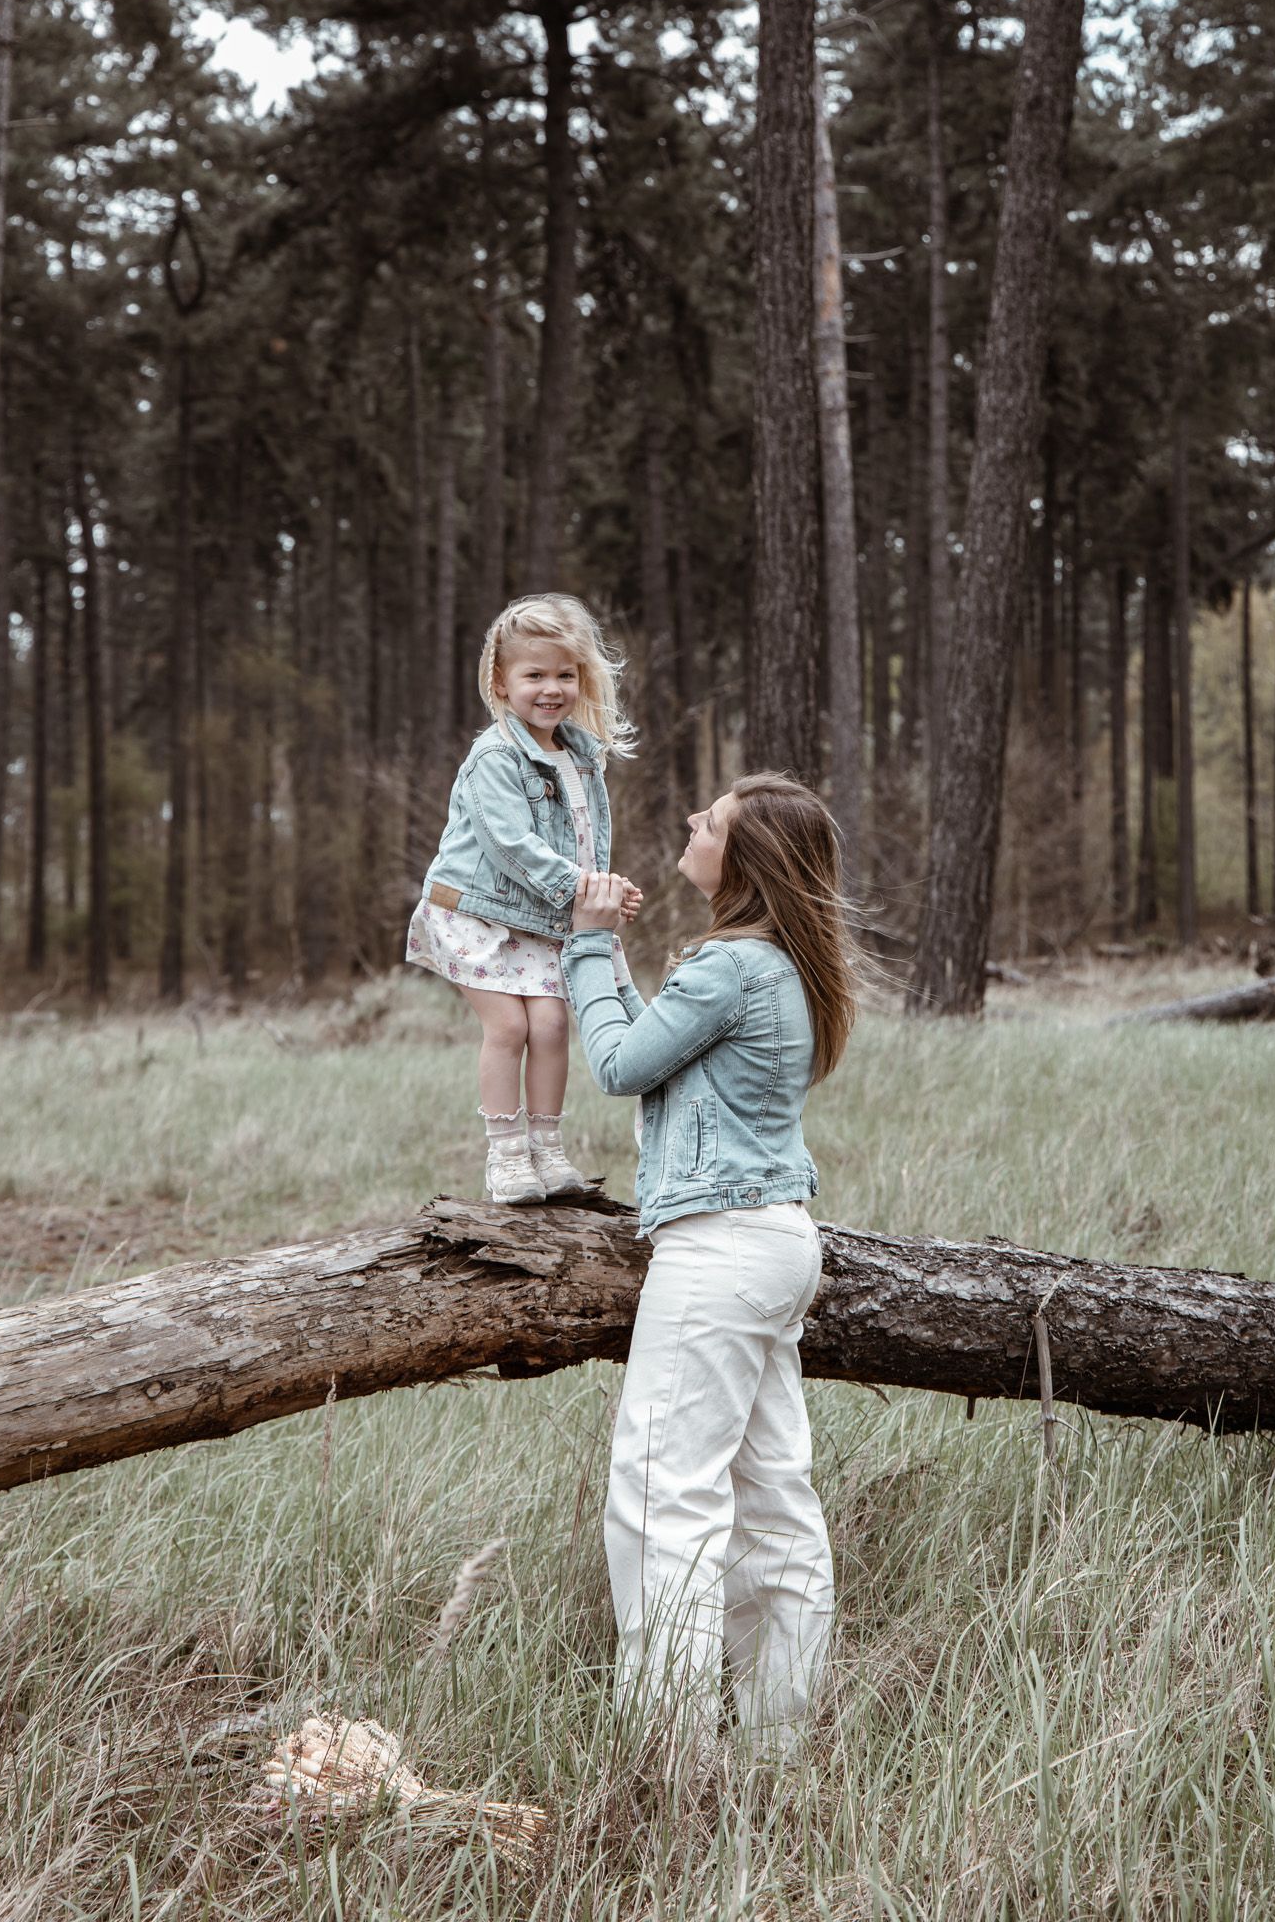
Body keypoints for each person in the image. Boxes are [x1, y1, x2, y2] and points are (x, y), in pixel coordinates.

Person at [561, 773, 856, 1756]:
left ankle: (667, 1758)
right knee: (773, 1502)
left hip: (718, 1248)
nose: (693, 821)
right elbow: (658, 1044)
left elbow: (617, 1064)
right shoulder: (778, 963)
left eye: (713, 821)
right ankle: (777, 1749)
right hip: (776, 1242)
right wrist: (612, 954)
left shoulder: (731, 966)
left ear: (747, 859)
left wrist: (587, 944)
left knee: (662, 1495)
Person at [407, 594, 644, 1205]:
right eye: (534, 675)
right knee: (509, 1025)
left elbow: (583, 841)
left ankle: (548, 1149)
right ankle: (507, 1155)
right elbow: (511, 845)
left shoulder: (582, 756)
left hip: (539, 916)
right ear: (500, 681)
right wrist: (583, 891)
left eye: (565, 674)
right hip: (474, 912)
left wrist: (606, 891)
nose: (551, 689)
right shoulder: (495, 756)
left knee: (553, 1024)